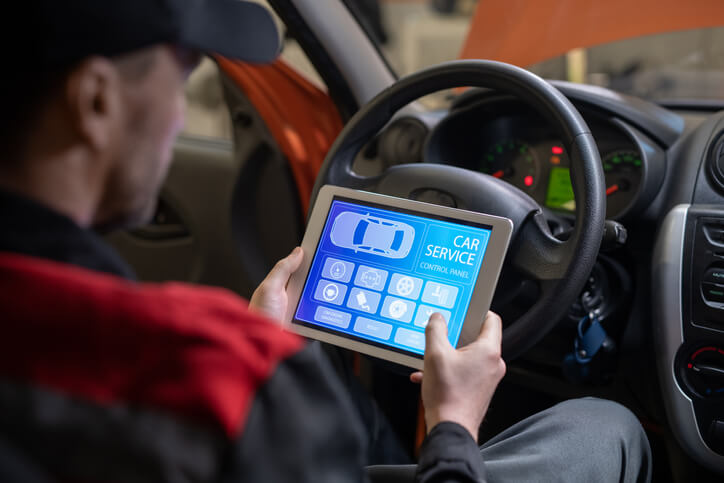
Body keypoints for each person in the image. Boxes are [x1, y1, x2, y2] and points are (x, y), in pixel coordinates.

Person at [0, 1, 651, 482]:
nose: (178, 115)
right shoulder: (223, 378)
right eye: (182, 75)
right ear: (95, 103)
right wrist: (453, 425)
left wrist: (271, 347)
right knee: (607, 427)